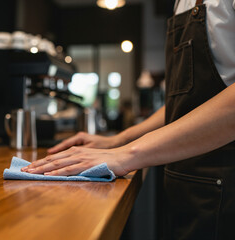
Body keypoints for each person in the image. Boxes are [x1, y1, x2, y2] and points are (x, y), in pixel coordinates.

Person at [21, 0, 235, 239]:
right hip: (185, 187)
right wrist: (119, 141)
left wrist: (129, 153)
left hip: (225, 190)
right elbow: (183, 104)